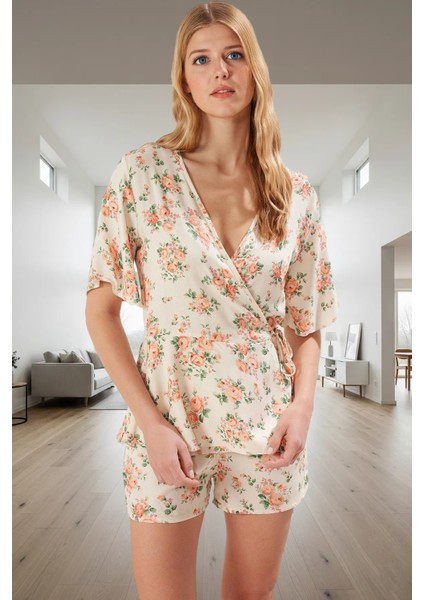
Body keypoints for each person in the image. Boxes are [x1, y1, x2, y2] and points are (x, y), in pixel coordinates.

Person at [85, 2, 337, 599]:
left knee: (251, 595)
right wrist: (148, 423)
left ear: (254, 70)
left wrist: (302, 409)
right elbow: (101, 312)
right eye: (201, 59)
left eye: (234, 54)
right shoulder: (141, 174)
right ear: (184, 78)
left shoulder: (295, 193)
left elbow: (306, 321)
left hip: (268, 422)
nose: (219, 70)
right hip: (168, 418)